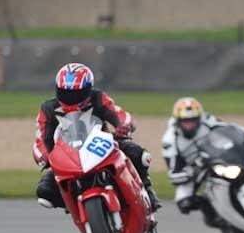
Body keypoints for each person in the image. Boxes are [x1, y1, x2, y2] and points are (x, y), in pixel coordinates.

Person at [34, 63, 160, 211]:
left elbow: (119, 114)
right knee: (44, 192)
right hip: (69, 155)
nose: (71, 98)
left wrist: (123, 126)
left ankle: (147, 190)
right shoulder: (48, 109)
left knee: (138, 154)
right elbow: (41, 138)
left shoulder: (98, 97)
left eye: (77, 93)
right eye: (65, 92)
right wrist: (44, 156)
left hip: (103, 145)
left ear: (88, 90)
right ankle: (75, 205)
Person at [161, 97, 244, 226]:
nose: (190, 124)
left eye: (193, 120)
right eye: (185, 121)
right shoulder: (170, 140)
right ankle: (212, 215)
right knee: (183, 201)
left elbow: (230, 129)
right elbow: (174, 173)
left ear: (199, 118)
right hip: (193, 170)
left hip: (216, 157)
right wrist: (191, 172)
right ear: (177, 121)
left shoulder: (207, 121)